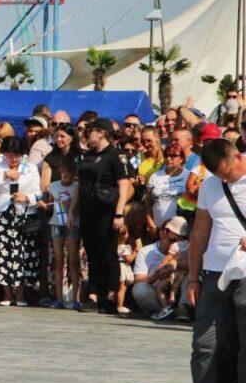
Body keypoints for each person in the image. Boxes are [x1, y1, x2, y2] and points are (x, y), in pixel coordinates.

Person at [172, 138, 246, 383]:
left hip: (245, 274)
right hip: (215, 273)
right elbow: (200, 232)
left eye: (226, 172)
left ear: (238, 156)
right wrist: (192, 278)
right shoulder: (210, 185)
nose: (223, 178)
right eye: (217, 174)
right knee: (205, 344)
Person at [77, 119, 133, 315]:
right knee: (92, 254)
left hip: (107, 211)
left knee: (108, 254)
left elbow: (124, 186)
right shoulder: (88, 156)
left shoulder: (116, 155)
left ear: (101, 133)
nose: (87, 135)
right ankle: (93, 295)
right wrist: (72, 211)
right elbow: (80, 185)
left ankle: (109, 296)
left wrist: (119, 213)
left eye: (90, 132)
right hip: (87, 211)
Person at [0, 136, 41, 307]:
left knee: (23, 253)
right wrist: (4, 174)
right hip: (1, 215)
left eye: (17, 155)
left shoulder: (30, 168)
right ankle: (7, 293)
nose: (13, 159)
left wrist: (27, 197)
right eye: (9, 155)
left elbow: (39, 193)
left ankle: (21, 293)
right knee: (3, 253)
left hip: (23, 214)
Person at [40, 156, 80, 310]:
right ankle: (58, 298)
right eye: (63, 174)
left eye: (68, 175)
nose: (66, 177)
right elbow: (50, 206)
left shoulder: (76, 186)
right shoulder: (54, 186)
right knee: (58, 261)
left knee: (73, 261)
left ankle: (76, 298)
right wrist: (44, 205)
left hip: (72, 224)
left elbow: (78, 206)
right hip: (56, 223)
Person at [132, 216, 189, 318]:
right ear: (162, 233)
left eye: (181, 240)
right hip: (157, 293)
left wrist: (174, 263)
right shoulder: (145, 252)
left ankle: (182, 309)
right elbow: (137, 279)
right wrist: (156, 276)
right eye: (172, 239)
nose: (176, 244)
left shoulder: (185, 249)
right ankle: (166, 310)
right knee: (139, 289)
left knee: (192, 276)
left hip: (179, 291)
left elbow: (196, 264)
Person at [145, 144, 190, 235]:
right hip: (158, 229)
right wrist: (151, 223)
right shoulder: (155, 176)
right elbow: (147, 203)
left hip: (181, 230)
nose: (168, 158)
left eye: (173, 156)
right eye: (166, 155)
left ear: (181, 158)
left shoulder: (189, 176)